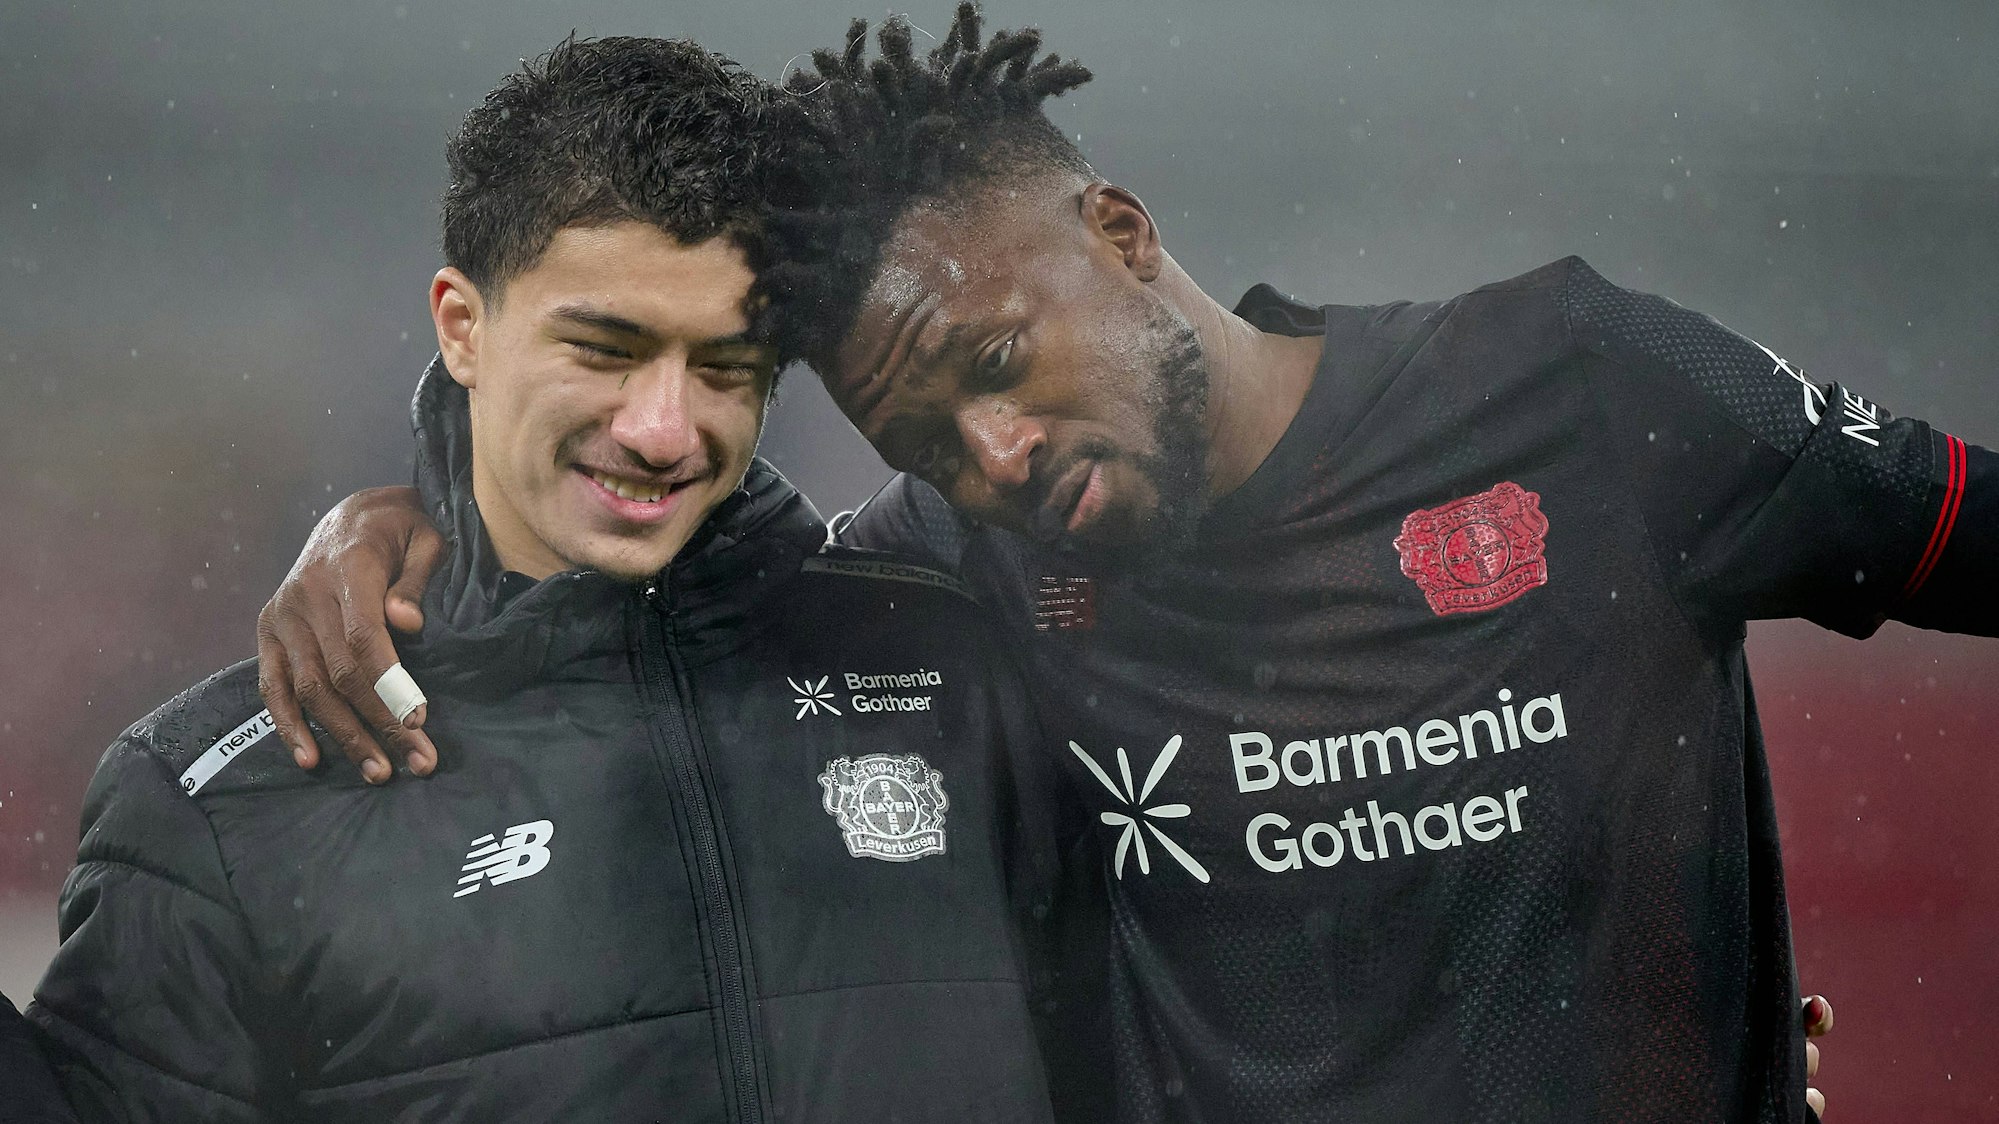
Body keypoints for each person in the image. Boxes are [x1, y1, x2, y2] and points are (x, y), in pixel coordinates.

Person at [255, 7, 1913, 1121]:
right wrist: (407, 522)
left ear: (1117, 233)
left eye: (992, 363)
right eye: (924, 445)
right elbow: (650, 614)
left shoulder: (1583, 394)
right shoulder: (964, 573)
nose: (993, 457)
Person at [21, 35, 1071, 1122]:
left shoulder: (953, 655)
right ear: (462, 327)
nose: (663, 430)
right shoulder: (226, 804)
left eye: (724, 366)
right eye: (605, 350)